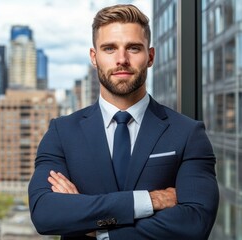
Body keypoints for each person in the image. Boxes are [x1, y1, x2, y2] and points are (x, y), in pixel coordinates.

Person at [28, 4, 219, 240]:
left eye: (133, 48)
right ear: (94, 57)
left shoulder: (188, 133)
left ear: (150, 57)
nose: (122, 59)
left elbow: (194, 222)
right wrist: (149, 200)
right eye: (109, 48)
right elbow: (45, 214)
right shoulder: (62, 132)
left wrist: (96, 228)